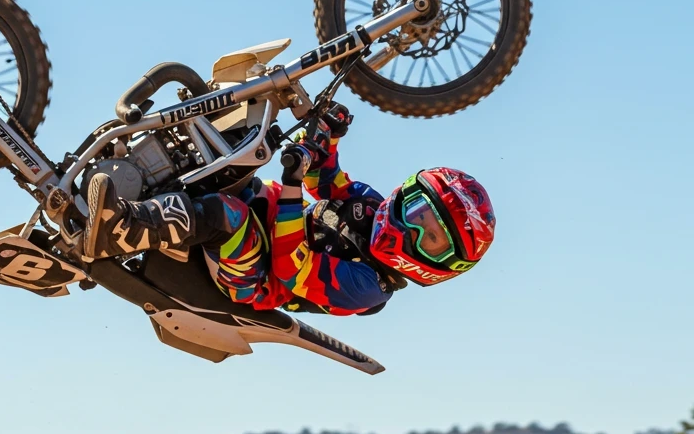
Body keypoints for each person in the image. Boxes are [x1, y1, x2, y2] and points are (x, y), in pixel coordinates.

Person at [82, 104, 495, 316]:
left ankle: (123, 229)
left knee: (228, 217)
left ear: (437, 264)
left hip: (255, 280)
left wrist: (294, 182)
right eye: (419, 212)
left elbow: (291, 267)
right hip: (267, 211)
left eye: (431, 237)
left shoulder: (367, 287)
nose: (413, 229)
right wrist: (327, 139)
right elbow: (328, 182)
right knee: (231, 154)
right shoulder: (370, 207)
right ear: (408, 193)